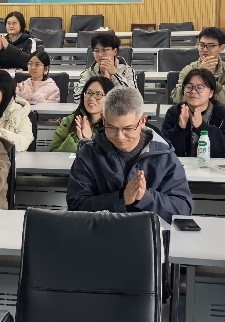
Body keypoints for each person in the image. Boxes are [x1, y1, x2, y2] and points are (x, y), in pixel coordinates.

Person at [67, 86, 192, 221]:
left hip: (148, 232)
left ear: (143, 121)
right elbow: (75, 206)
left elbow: (183, 209)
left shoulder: (164, 155)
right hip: (102, 230)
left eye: (128, 128)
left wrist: (145, 197)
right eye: (112, 127)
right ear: (103, 119)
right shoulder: (88, 154)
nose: (119, 137)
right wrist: (121, 199)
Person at [161, 69, 225, 159]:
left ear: (211, 93)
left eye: (199, 87)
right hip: (181, 166)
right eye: (189, 87)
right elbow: (163, 149)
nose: (193, 91)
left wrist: (202, 127)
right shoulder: (174, 112)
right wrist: (180, 129)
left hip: (214, 167)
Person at [170, 26, 225, 106]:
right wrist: (198, 75)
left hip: (220, 112)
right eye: (201, 45)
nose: (204, 49)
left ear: (221, 48)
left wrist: (208, 79)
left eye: (210, 46)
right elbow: (177, 97)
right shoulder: (188, 70)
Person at [50, 75, 113, 153]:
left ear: (109, 98)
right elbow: (53, 152)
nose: (91, 98)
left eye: (98, 94)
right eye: (89, 93)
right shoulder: (70, 121)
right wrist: (76, 139)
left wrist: (89, 140)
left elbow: (113, 156)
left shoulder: (114, 125)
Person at [72, 32, 139, 99]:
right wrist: (102, 84)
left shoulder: (127, 71)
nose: (100, 55)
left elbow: (133, 98)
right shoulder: (88, 73)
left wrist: (115, 74)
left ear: (115, 51)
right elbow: (77, 97)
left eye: (104, 50)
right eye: (96, 51)